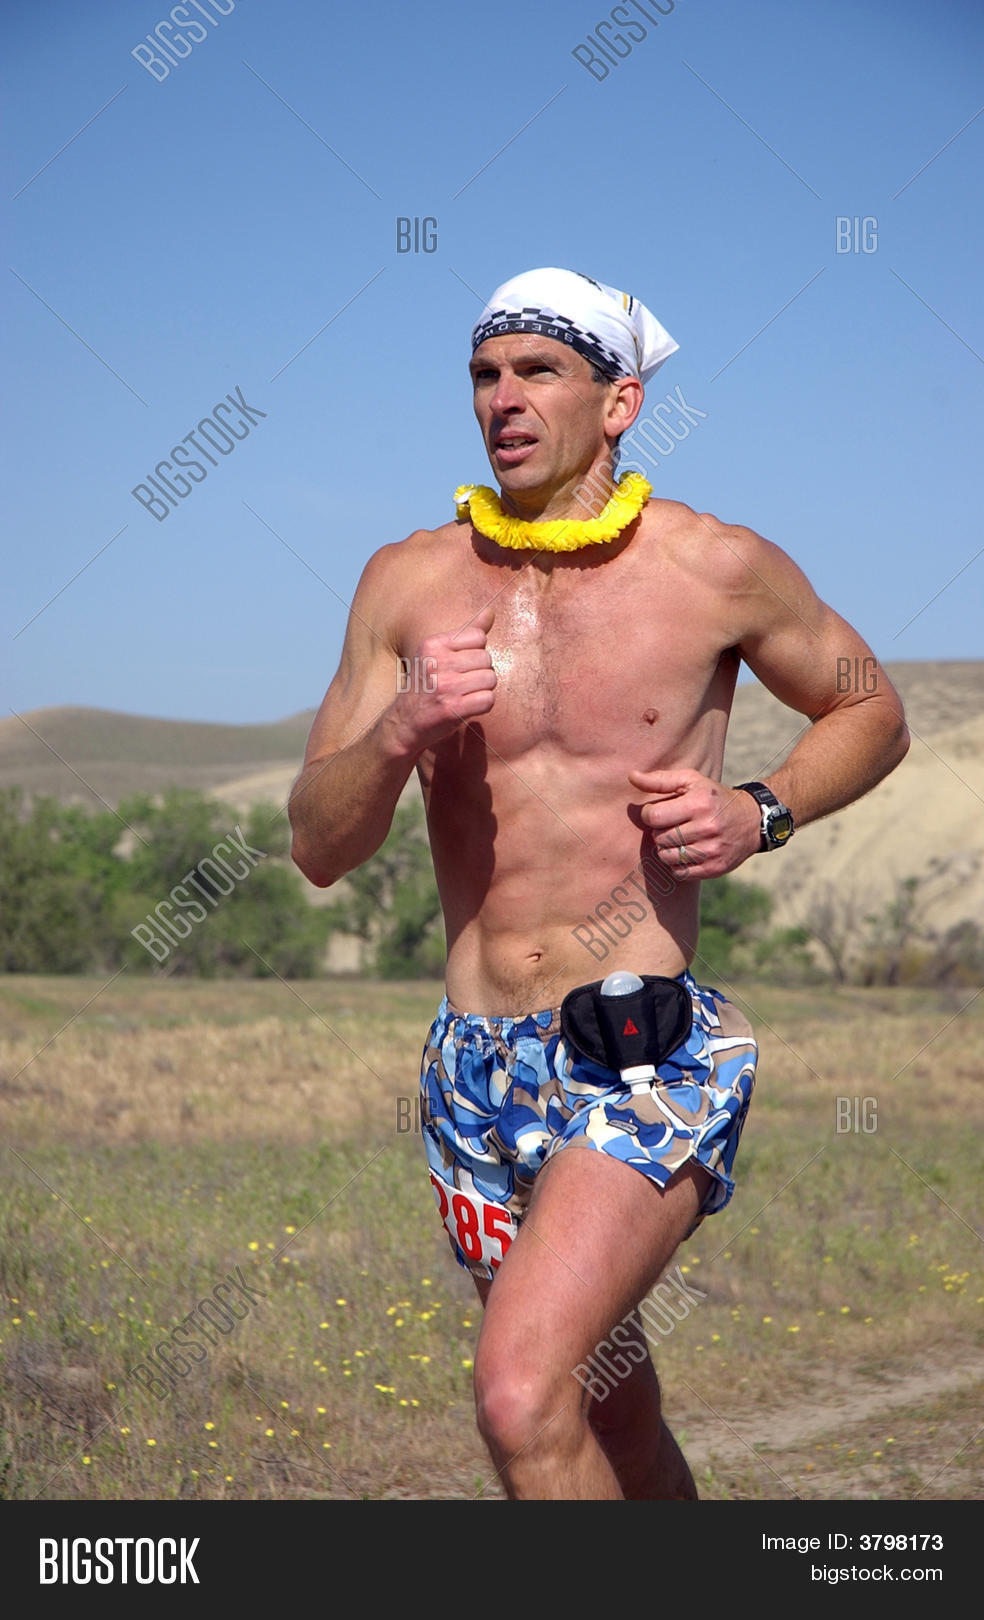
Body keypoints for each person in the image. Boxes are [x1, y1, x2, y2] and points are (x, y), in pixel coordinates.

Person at [288, 267, 909, 1500]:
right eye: (484, 374)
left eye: (538, 372)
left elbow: (870, 707)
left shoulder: (715, 568)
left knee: (520, 1394)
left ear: (620, 400)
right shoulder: (406, 583)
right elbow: (316, 842)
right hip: (474, 1069)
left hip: (640, 1049)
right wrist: (401, 731)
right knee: (606, 1418)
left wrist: (760, 811)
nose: (502, 400)